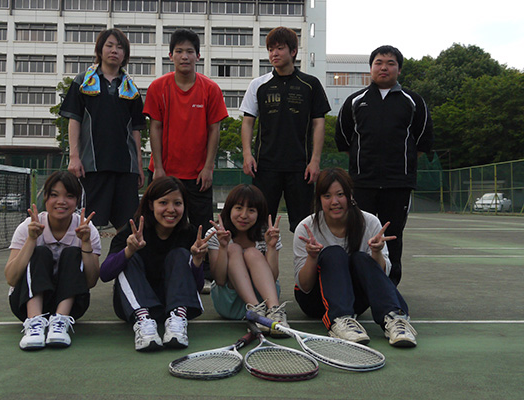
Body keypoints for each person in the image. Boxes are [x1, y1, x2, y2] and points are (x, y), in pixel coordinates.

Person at [335, 45, 433, 286]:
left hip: (398, 183)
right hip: (362, 182)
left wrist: (402, 164)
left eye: (390, 63)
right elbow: (344, 139)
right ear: (370, 68)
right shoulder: (355, 101)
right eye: (379, 63)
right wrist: (363, 163)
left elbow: (422, 140)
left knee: (393, 236)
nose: (384, 68)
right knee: (358, 234)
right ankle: (358, 286)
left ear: (399, 69)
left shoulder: (413, 101)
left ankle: (389, 286)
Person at [293, 168, 417, 348]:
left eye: (340, 194)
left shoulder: (369, 222)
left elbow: (381, 277)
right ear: (319, 199)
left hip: (355, 301)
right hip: (315, 301)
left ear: (350, 196)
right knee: (334, 253)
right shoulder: (306, 228)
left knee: (361, 258)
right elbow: (304, 287)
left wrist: (376, 252)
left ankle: (395, 319)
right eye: (327, 196)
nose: (334, 202)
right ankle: (340, 320)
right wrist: (312, 257)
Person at [100, 177, 214, 351]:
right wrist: (128, 250)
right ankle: (143, 322)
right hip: (135, 306)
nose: (171, 209)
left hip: (171, 305)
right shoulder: (133, 232)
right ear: (151, 205)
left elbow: (196, 288)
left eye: (177, 203)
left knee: (181, 254)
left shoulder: (189, 234)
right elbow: (105, 274)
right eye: (163, 203)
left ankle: (177, 321)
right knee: (128, 258)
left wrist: (197, 261)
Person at [240, 26, 331, 233]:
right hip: (265, 166)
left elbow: (318, 123)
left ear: (293, 51)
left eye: (280, 48)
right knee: (260, 224)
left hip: (300, 167)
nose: (274, 53)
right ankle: (261, 256)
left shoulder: (310, 84)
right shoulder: (258, 84)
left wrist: (315, 161)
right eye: (270, 49)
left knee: (304, 226)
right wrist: (247, 154)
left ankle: (305, 257)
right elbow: (248, 122)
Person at [143, 28, 228, 247]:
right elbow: (155, 128)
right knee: (158, 226)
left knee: (202, 228)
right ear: (170, 56)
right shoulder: (158, 88)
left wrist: (208, 168)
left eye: (190, 51)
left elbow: (214, 130)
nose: (184, 56)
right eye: (179, 51)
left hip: (198, 175)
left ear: (198, 56)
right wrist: (158, 168)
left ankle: (204, 266)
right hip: (164, 172)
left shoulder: (211, 89)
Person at [60, 28, 145, 230]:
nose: (114, 50)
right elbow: (74, 120)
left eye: (120, 47)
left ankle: (122, 254)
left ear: (125, 54)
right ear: (100, 50)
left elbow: (136, 130)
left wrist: (139, 166)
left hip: (125, 169)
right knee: (88, 227)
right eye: (109, 45)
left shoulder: (131, 89)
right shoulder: (83, 82)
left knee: (129, 228)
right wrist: (74, 157)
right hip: (92, 167)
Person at [5, 171, 101, 350]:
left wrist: (86, 243)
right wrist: (31, 240)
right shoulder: (28, 226)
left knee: (73, 253)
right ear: (46, 198)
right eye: (54, 195)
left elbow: (91, 281)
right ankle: (34, 323)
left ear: (77, 201)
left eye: (69, 196)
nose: (61, 201)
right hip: (24, 303)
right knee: (40, 252)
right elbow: (11, 278)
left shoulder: (86, 229)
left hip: (72, 306)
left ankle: (60, 322)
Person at [205, 184, 289, 337]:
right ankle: (255, 312)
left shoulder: (268, 233)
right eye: (238, 208)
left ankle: (275, 311)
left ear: (259, 213)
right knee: (233, 249)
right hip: (229, 301)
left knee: (252, 253)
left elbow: (273, 278)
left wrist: (271, 247)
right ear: (229, 209)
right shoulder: (216, 233)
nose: (244, 215)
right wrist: (223, 247)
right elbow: (220, 280)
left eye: (251, 210)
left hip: (265, 299)